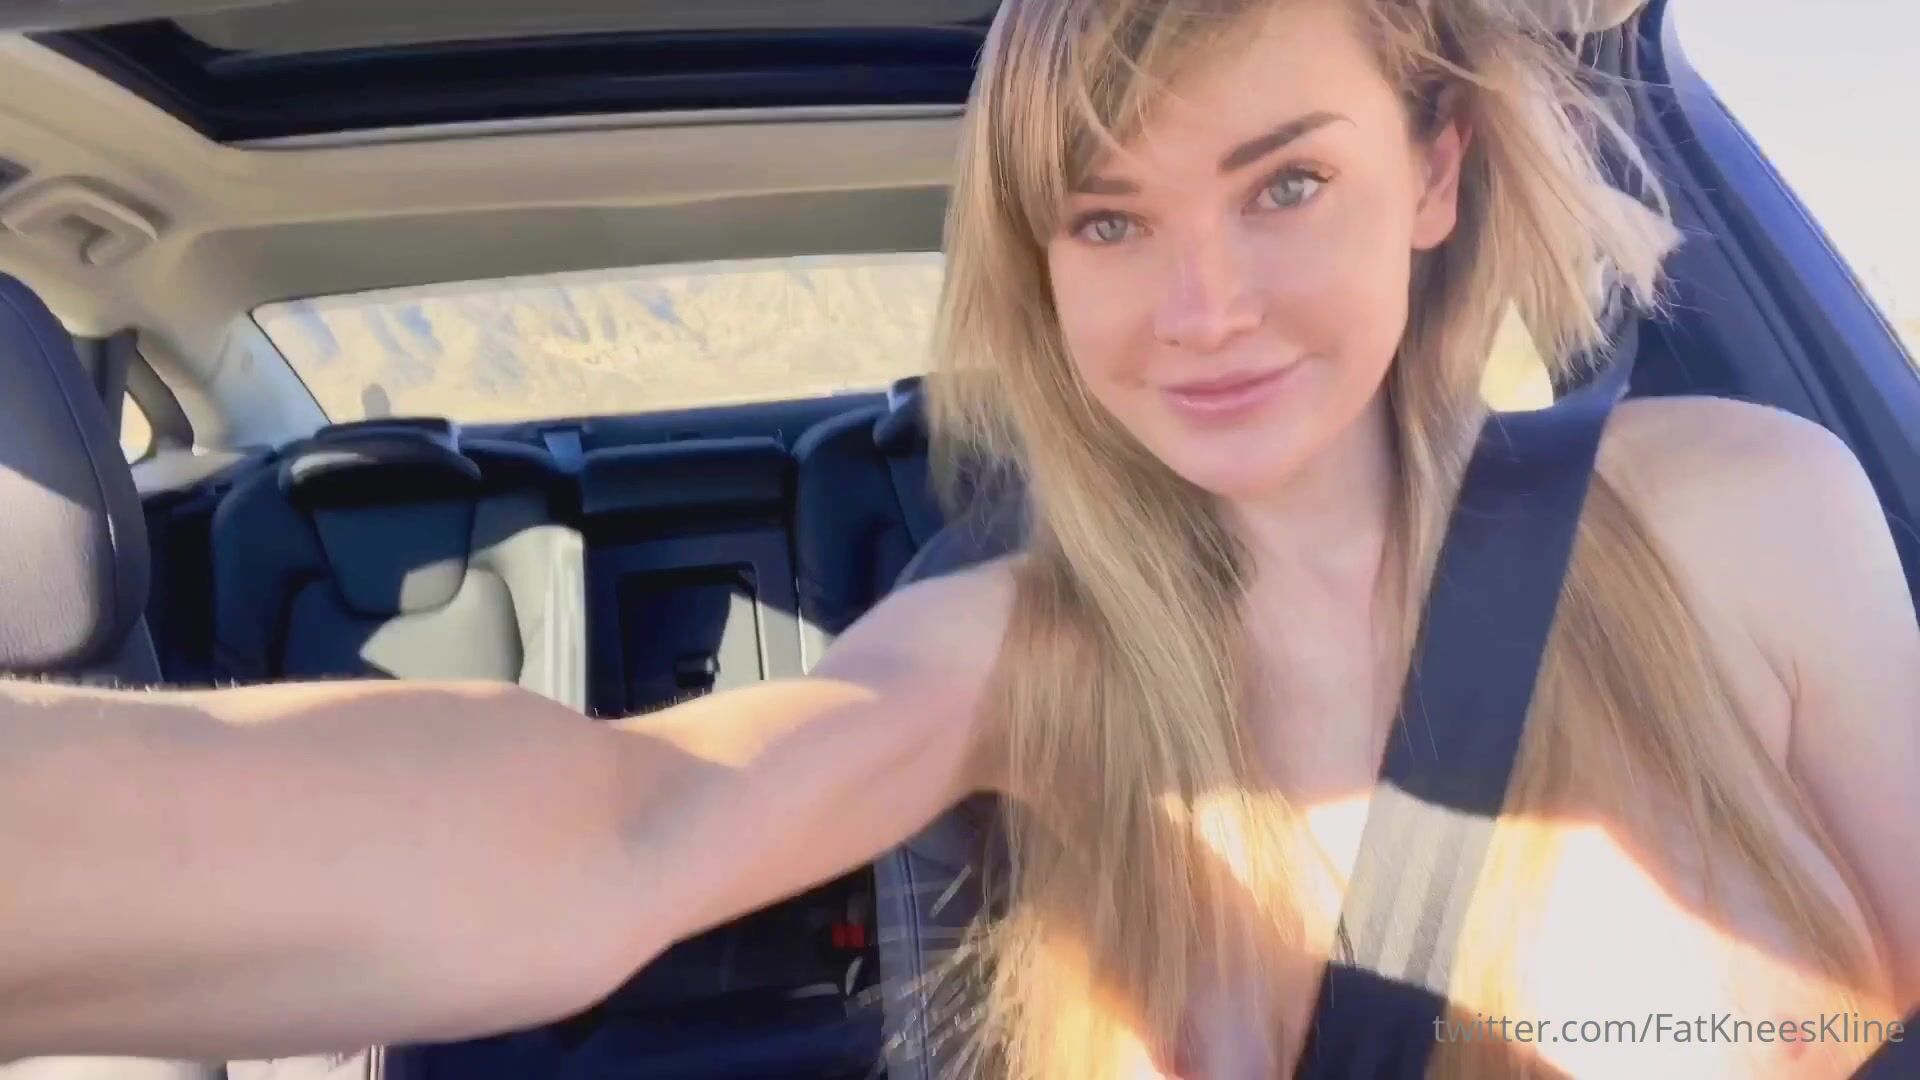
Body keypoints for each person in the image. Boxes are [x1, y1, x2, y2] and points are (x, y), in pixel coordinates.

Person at [3, 0, 1918, 1076]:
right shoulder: (1020, 639)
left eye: (1286, 186)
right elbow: (623, 829)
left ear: (1435, 171)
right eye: (1109, 221)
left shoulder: (1739, 513)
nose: (1204, 310)